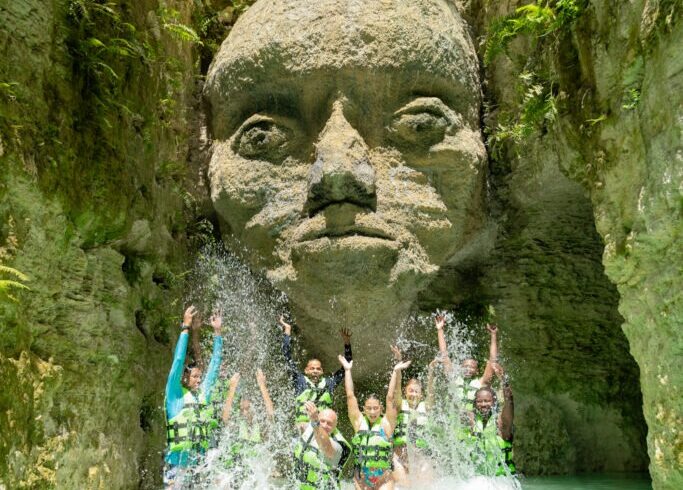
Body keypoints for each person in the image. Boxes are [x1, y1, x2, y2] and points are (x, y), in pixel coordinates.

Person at [164, 306, 223, 486]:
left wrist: (218, 333)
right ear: (184, 377)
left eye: (200, 377)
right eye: (195, 376)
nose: (199, 380)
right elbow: (178, 361)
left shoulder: (202, 395)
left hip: (199, 466)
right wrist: (185, 328)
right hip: (176, 465)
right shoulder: (175, 395)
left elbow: (214, 365)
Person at [339, 354, 411, 490]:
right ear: (364, 409)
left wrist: (395, 371)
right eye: (369, 408)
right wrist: (347, 370)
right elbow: (350, 396)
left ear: (381, 409)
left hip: (383, 478)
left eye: (375, 408)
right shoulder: (358, 422)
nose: (372, 412)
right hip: (362, 479)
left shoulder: (387, 424)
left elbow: (390, 398)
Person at [280, 315, 353, 432]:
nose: (315, 371)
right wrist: (287, 331)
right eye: (312, 368)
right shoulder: (299, 381)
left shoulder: (329, 383)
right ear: (306, 370)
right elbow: (287, 357)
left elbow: (347, 366)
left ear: (322, 371)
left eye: (318, 369)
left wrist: (347, 343)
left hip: (323, 429)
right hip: (303, 428)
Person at [435, 314, 499, 411]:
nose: (468, 369)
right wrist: (440, 329)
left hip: (472, 419)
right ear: (460, 368)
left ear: (477, 371)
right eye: (465, 366)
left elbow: (492, 360)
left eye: (472, 367)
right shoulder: (453, 379)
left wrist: (493, 335)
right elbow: (444, 355)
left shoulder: (481, 383)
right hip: (453, 418)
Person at [390, 346, 432, 486]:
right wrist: (398, 366)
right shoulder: (400, 405)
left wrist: (431, 372)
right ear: (405, 392)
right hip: (399, 457)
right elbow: (396, 388)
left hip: (420, 458)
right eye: (411, 391)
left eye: (416, 391)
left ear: (421, 394)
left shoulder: (425, 407)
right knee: (404, 486)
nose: (413, 394)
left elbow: (431, 392)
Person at [465, 362, 516, 477]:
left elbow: (509, 400)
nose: (483, 404)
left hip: (502, 481)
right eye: (479, 401)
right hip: (479, 481)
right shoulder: (472, 421)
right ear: (475, 404)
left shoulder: (502, 424)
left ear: (494, 403)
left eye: (487, 401)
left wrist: (503, 380)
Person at [220, 369, 275, 473]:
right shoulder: (238, 424)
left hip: (256, 472)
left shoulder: (260, 426)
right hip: (237, 470)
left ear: (254, 408)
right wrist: (232, 388)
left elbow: (271, 415)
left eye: (248, 409)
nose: (245, 412)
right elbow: (225, 418)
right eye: (242, 409)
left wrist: (262, 386)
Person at [293, 401, 351, 489]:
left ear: (335, 426)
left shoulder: (339, 445)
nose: (324, 425)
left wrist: (316, 421)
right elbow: (303, 426)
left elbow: (326, 448)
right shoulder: (312, 427)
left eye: (329, 423)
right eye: (322, 421)